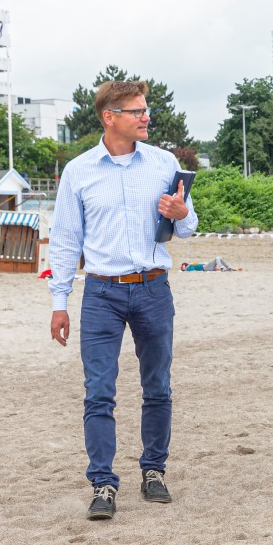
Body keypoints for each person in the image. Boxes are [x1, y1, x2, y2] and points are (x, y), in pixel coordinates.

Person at [48, 81, 198, 521]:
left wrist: (183, 214)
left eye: (146, 110)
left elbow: (187, 228)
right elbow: (64, 242)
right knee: (98, 392)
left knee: (158, 388)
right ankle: (103, 483)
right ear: (109, 117)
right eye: (136, 111)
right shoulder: (78, 171)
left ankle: (154, 471)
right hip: (101, 292)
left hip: (154, 287)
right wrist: (60, 301)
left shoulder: (165, 163)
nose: (146, 117)